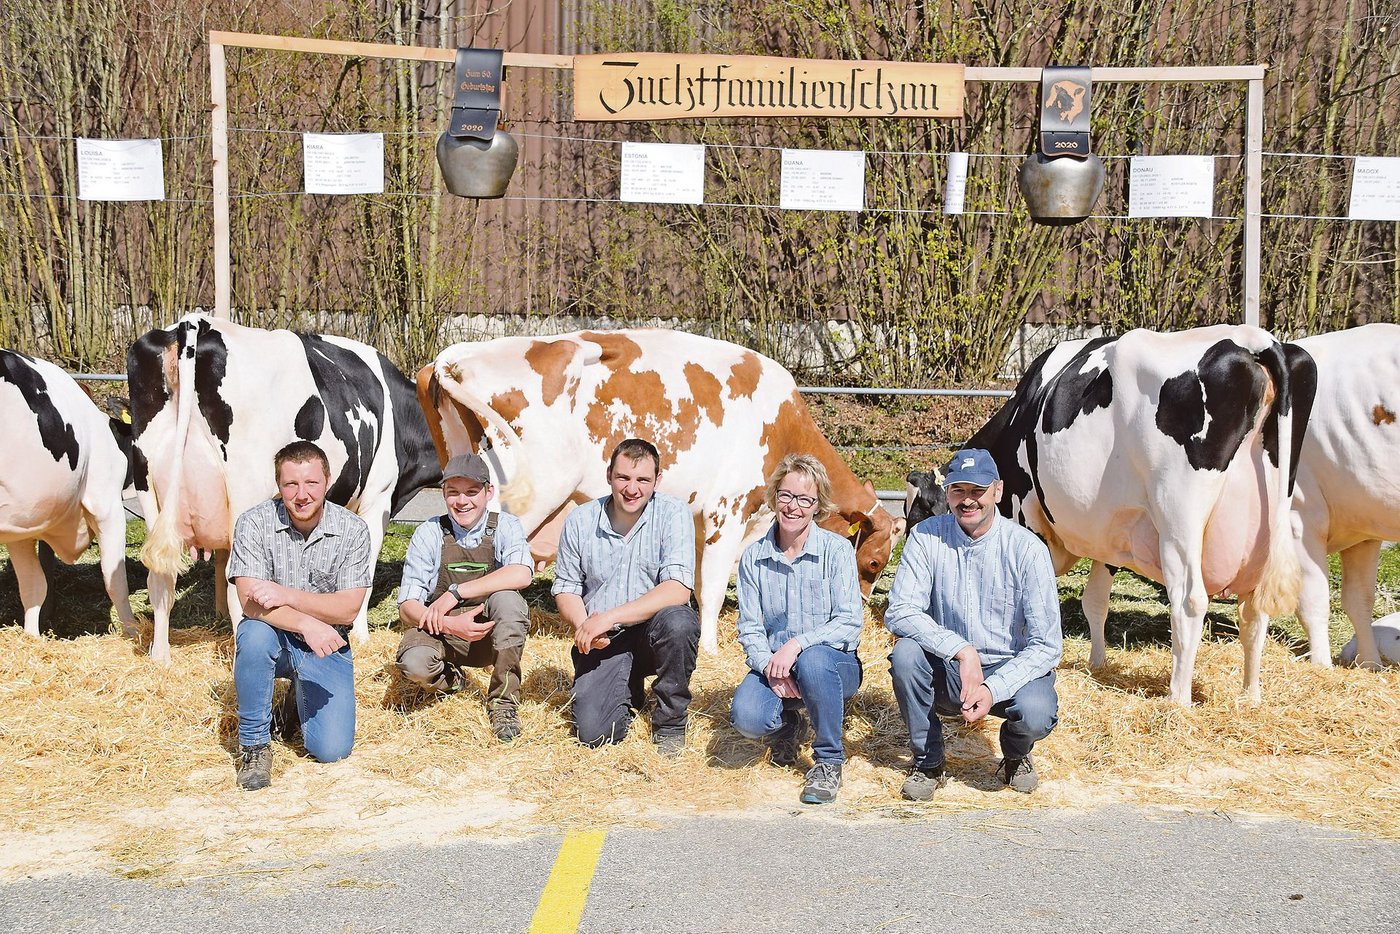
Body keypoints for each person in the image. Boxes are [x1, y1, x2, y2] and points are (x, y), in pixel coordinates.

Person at [885, 448, 1062, 799]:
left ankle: (1015, 753)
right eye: (958, 491)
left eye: (977, 491)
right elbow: (899, 610)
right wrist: (961, 651)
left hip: (1009, 667)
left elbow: (1047, 645)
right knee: (905, 655)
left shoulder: (1027, 549)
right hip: (950, 667)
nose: (967, 501)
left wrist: (993, 688)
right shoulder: (925, 537)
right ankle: (929, 761)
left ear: (996, 491)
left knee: (1037, 712)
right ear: (946, 492)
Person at [229, 441, 372, 792]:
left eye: (311, 483)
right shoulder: (253, 523)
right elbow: (250, 602)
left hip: (326, 643)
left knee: (331, 750)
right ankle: (254, 745)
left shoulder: (353, 530)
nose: (302, 494)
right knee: (254, 635)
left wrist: (286, 595)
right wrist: (307, 622)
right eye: (291, 484)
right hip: (277, 635)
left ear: (327, 481)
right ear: (279, 486)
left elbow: (348, 608)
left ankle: (294, 703)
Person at [729, 454, 864, 805]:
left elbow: (850, 622)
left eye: (805, 499)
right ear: (774, 496)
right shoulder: (753, 558)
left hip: (835, 666)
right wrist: (768, 667)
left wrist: (796, 647)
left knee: (813, 661)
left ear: (817, 506)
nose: (793, 507)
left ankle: (828, 761)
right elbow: (750, 628)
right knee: (747, 718)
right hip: (777, 668)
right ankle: (789, 726)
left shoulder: (837, 550)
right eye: (786, 496)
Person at [552, 438, 699, 754]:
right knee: (594, 734)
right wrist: (585, 625)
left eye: (643, 480)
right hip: (607, 639)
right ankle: (629, 688)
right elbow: (565, 587)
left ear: (657, 481)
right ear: (609, 476)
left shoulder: (674, 514)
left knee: (680, 621)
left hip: (653, 631)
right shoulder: (580, 520)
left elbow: (678, 587)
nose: (632, 489)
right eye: (624, 478)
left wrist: (608, 616)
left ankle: (670, 721)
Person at [395, 452, 534, 741]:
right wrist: (448, 625)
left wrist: (455, 593)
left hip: (490, 634)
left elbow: (522, 574)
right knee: (414, 664)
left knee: (509, 602)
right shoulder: (429, 532)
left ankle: (503, 702)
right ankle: (453, 682)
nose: (462, 501)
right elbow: (407, 608)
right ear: (443, 493)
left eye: (472, 492)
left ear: (488, 492)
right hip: (444, 634)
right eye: (453, 493)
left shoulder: (505, 526)